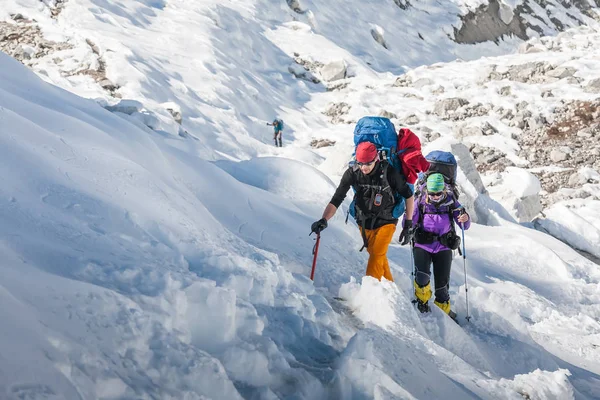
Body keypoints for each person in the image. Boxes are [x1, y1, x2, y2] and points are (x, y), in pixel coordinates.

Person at [311, 141, 415, 281]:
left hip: (387, 220)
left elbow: (408, 195)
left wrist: (408, 223)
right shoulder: (352, 173)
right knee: (376, 255)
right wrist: (324, 219)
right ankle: (390, 287)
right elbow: (337, 198)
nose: (363, 168)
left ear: (376, 159)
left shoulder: (389, 172)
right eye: (360, 163)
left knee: (377, 254)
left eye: (368, 164)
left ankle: (369, 293)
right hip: (364, 220)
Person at [403, 172, 470, 318]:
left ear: (444, 191)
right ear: (427, 191)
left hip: (444, 246)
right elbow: (408, 220)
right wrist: (407, 226)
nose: (435, 197)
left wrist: (465, 218)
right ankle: (422, 302)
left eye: (438, 193)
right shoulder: (420, 201)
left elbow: (464, 225)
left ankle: (444, 310)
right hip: (423, 245)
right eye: (432, 193)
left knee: (442, 284)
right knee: (422, 277)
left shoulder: (451, 201)